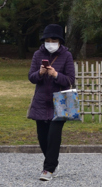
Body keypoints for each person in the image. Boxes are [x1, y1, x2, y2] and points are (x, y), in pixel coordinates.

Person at [28, 24, 75, 181]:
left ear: (59, 40)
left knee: (54, 136)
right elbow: (31, 77)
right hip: (41, 101)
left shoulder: (67, 55)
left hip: (59, 103)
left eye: (53, 39)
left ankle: (47, 170)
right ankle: (53, 163)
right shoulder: (37, 54)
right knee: (42, 138)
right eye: (47, 40)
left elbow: (70, 80)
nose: (50, 42)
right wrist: (40, 73)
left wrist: (55, 74)